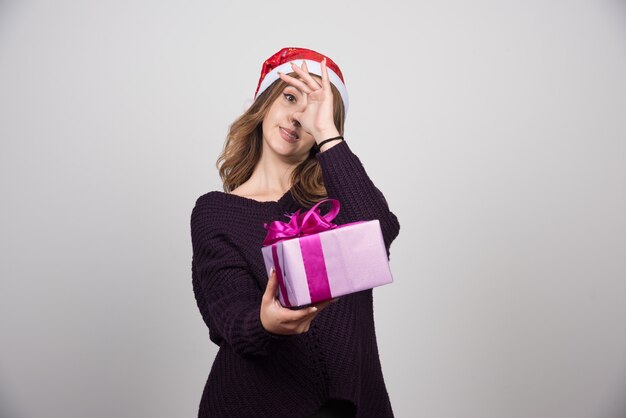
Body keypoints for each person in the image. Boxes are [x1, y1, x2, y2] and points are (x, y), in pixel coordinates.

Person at [190, 47, 401, 418]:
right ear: (265, 103)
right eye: (290, 97)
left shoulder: (338, 200)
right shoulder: (215, 212)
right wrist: (265, 323)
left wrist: (327, 133)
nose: (297, 117)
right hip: (256, 404)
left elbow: (377, 233)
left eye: (314, 110)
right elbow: (230, 313)